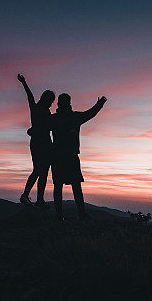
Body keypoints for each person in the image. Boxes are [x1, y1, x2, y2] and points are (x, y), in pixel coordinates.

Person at [50, 92, 107, 220]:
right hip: (69, 156)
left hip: (59, 156)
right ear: (69, 103)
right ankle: (80, 214)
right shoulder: (73, 117)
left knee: (60, 186)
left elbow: (40, 127)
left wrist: (99, 104)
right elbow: (90, 114)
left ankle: (61, 215)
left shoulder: (54, 119)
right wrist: (100, 104)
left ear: (59, 103)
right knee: (74, 185)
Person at [17, 73, 55, 208]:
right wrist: (24, 83)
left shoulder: (40, 109)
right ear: (46, 99)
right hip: (40, 143)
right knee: (39, 170)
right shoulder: (38, 108)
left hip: (43, 143)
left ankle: (39, 199)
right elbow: (30, 96)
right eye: (50, 101)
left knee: (42, 172)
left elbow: (30, 97)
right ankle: (26, 195)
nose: (51, 104)